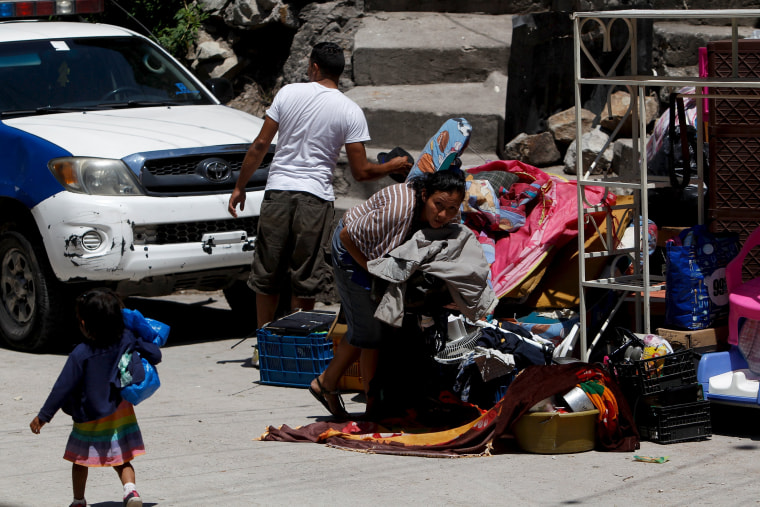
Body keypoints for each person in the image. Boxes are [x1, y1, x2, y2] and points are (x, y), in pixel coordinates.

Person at [228, 42, 412, 329]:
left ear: (314, 66)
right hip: (315, 199)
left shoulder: (288, 93)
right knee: (306, 277)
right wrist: (393, 166)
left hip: (278, 193)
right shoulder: (350, 111)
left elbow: (261, 144)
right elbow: (362, 172)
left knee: (268, 272)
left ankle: (263, 344)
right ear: (340, 72)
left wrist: (240, 186)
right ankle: (298, 342)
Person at [309, 169, 468, 419]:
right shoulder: (398, 209)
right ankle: (360, 401)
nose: (443, 215)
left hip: (381, 259)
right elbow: (346, 235)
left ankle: (332, 387)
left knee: (372, 328)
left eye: (452, 209)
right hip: (353, 253)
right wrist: (375, 272)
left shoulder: (446, 218)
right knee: (371, 333)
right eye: (438, 205)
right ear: (425, 194)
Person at [30, 289, 161, 507]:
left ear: (83, 323)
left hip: (89, 415)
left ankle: (78, 501)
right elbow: (155, 355)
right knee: (122, 459)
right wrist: (139, 335)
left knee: (79, 459)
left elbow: (62, 387)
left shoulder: (81, 353)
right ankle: (131, 492)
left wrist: (43, 416)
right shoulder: (126, 338)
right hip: (120, 411)